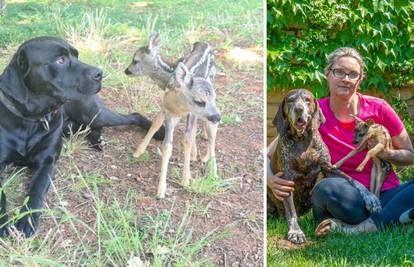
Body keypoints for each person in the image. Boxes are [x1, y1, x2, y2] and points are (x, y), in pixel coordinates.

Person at [267, 47, 414, 235]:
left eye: (353, 74)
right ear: (327, 74)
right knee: (326, 189)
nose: (346, 78)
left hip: (385, 194)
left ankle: (363, 228)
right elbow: (268, 153)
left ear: (360, 80)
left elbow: (410, 155)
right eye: (339, 72)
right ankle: (396, 217)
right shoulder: (312, 112)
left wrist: (386, 153)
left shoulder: (380, 108)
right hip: (345, 199)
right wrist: (270, 180)